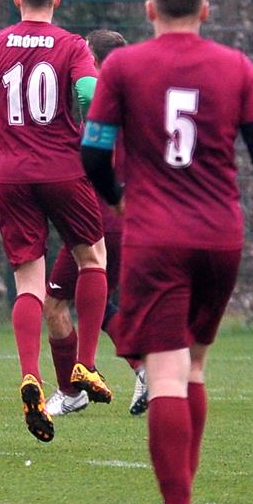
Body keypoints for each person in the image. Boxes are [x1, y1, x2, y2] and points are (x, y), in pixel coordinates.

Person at [81, 0, 253, 504]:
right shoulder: (236, 67)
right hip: (221, 238)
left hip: (157, 238)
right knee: (195, 367)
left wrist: (118, 196)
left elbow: (93, 152)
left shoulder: (124, 66)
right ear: (205, 11)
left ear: (150, 11)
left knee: (165, 374)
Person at [0, 0, 111, 443]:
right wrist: (88, 126)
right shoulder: (72, 45)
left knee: (30, 283)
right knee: (93, 258)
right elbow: (89, 95)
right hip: (63, 169)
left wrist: (2, 107)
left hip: (12, 175)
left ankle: (31, 375)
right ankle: (86, 364)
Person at [43, 29, 149, 419]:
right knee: (98, 302)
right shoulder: (140, 101)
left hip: (99, 219)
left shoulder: (101, 103)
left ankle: (72, 390)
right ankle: (139, 368)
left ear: (94, 60)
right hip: (129, 217)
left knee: (56, 303)